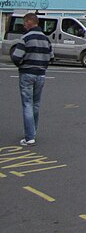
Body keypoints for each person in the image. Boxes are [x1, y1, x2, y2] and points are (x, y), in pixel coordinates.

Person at [11, 13, 54, 146]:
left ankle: (29, 137)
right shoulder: (46, 39)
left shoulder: (25, 38)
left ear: (30, 22)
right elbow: (51, 57)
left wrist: (22, 64)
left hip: (27, 73)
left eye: (24, 22)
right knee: (36, 104)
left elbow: (17, 57)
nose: (23, 25)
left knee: (27, 104)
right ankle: (33, 131)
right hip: (41, 74)